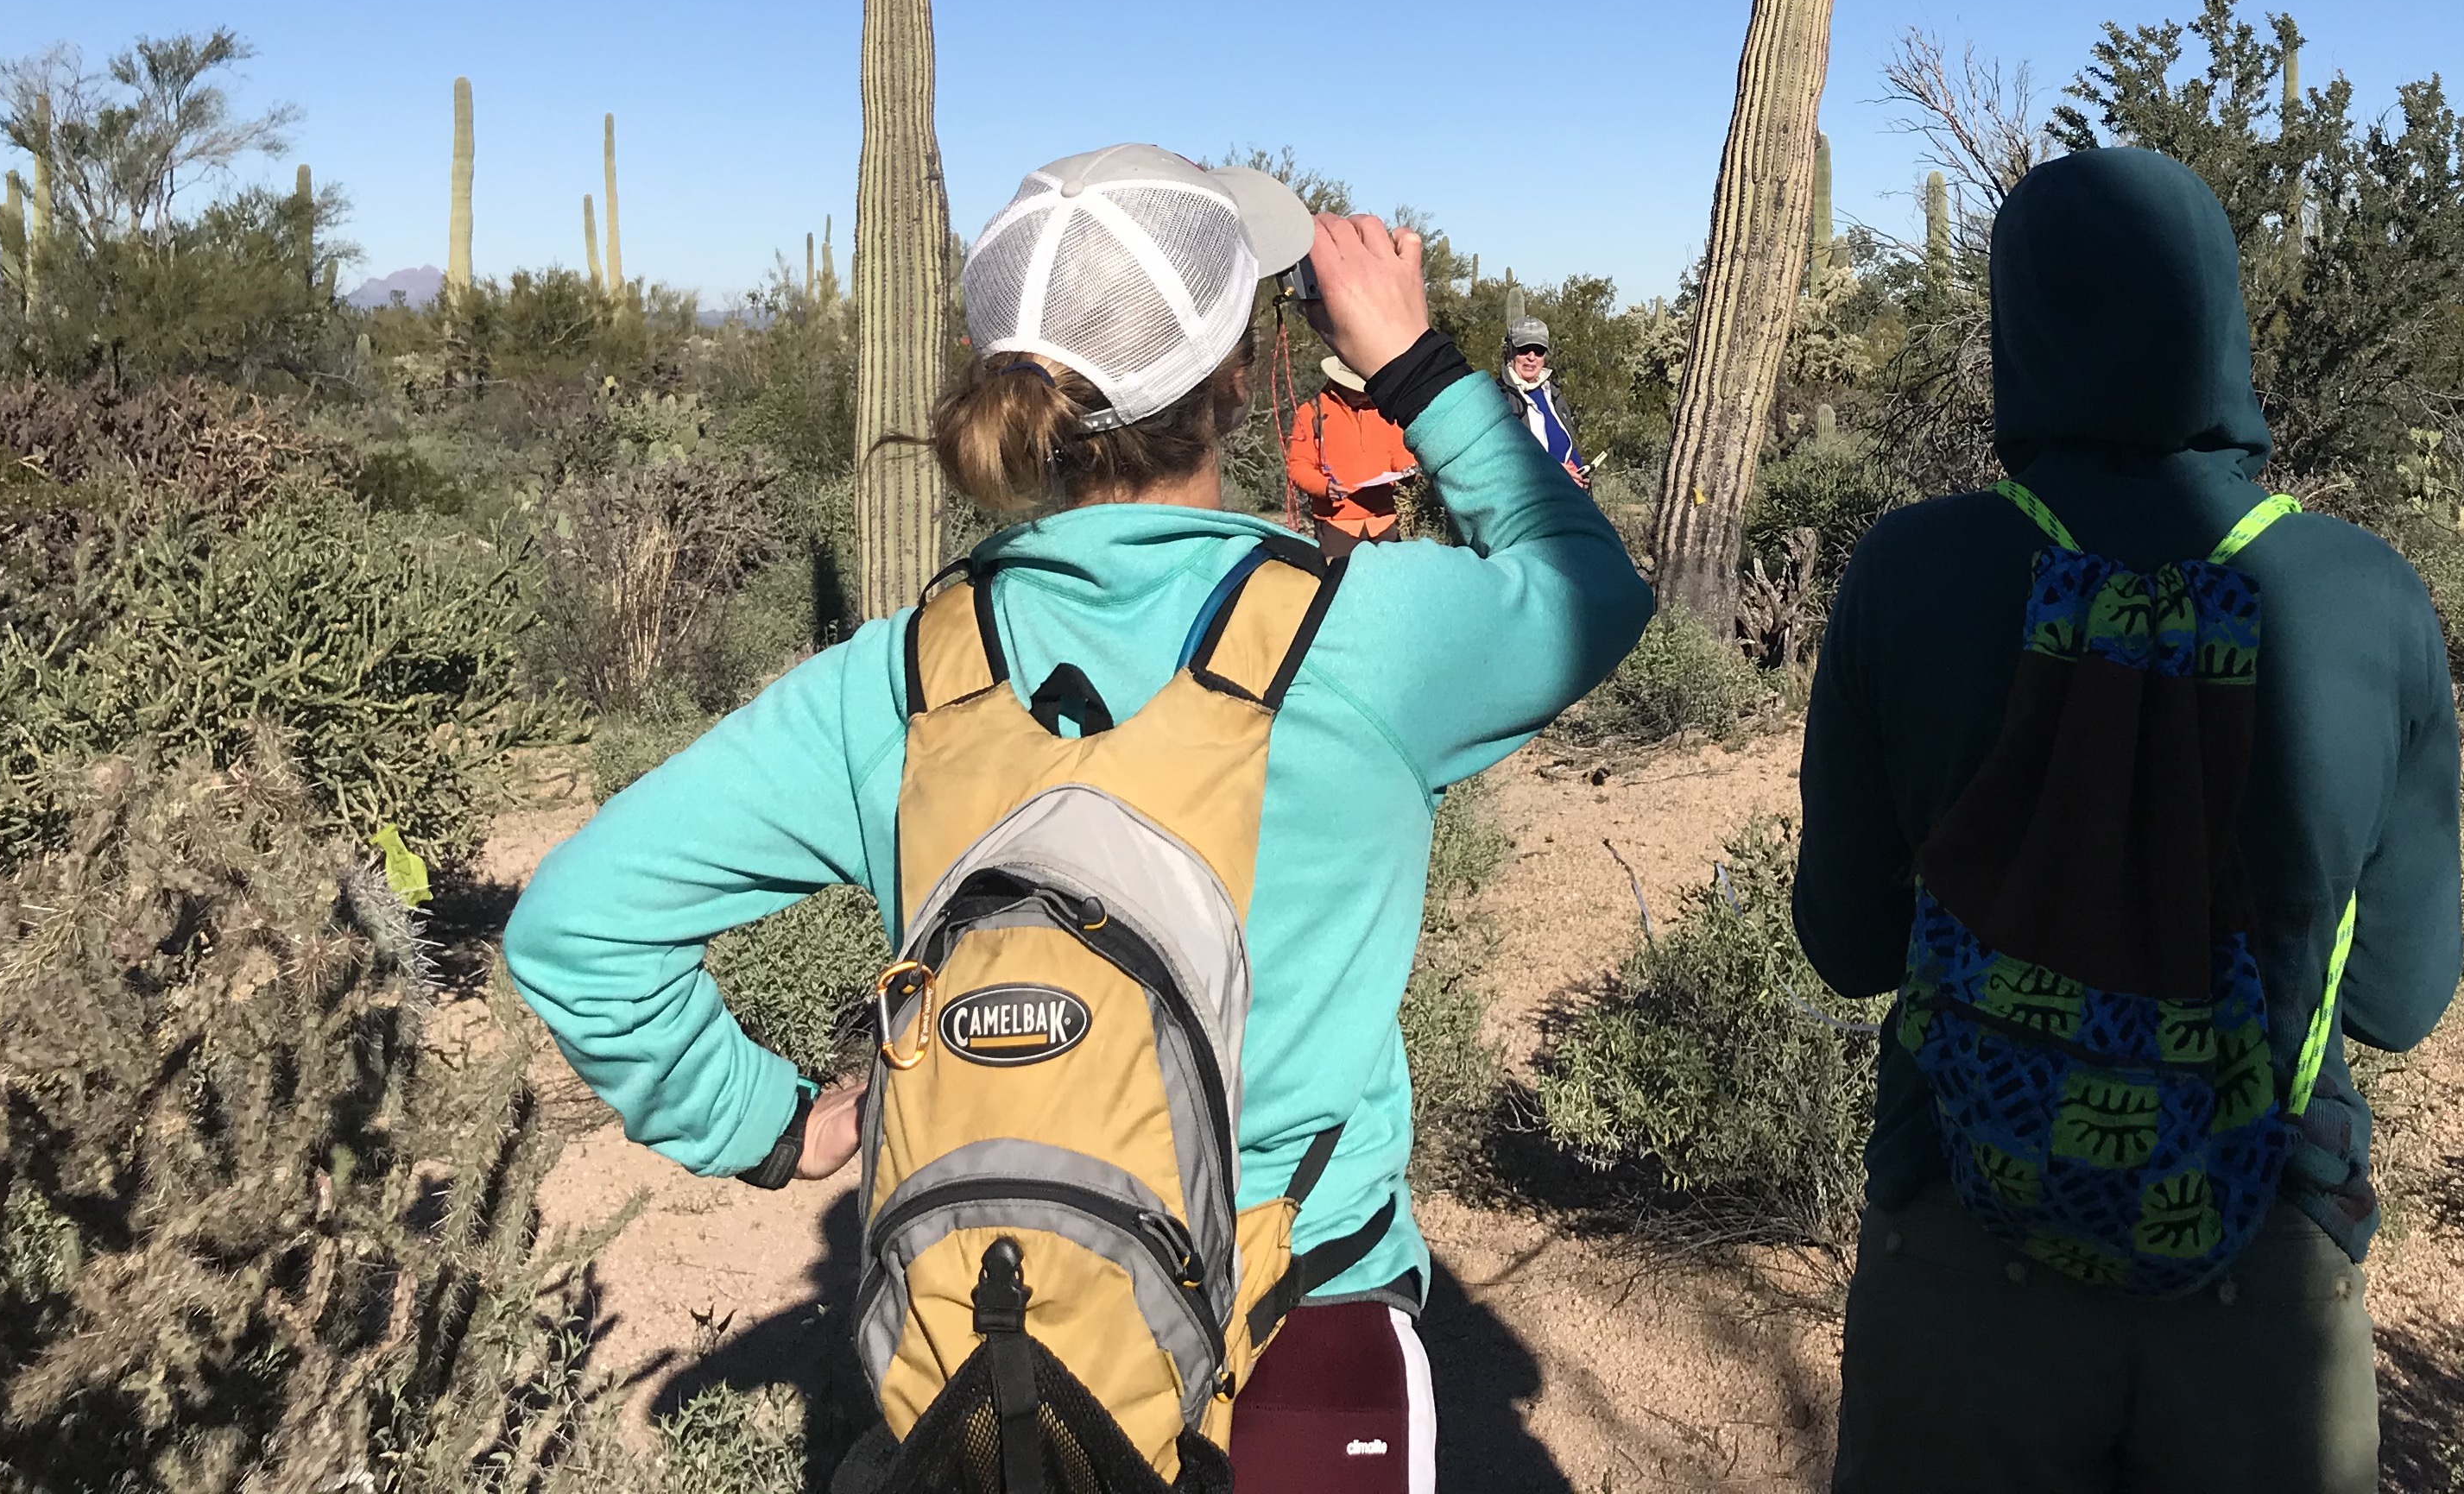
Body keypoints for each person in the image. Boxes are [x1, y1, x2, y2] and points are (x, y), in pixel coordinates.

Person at [506, 145, 1651, 1493]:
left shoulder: (902, 677)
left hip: (1000, 1346)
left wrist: (786, 1126)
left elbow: (576, 929)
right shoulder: (1367, 639)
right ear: (1236, 380)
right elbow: (1588, 582)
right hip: (1305, 1306)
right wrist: (1414, 365)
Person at [1792, 146, 2461, 1494]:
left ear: (2016, 323)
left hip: (1964, 1247)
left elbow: (1849, 945)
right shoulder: (2363, 593)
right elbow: (2400, 998)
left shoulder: (1909, 571)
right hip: (2263, 1271)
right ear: (2215, 311)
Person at [1287, 350, 1418, 554]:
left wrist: (1407, 469)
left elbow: (1397, 449)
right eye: (1358, 390)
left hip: (1383, 522)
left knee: (1388, 584)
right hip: (1337, 526)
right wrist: (1324, 487)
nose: (1365, 395)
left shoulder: (1382, 408)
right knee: (1340, 584)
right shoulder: (1311, 413)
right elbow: (1298, 466)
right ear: (1338, 383)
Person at [1498, 313, 1588, 489]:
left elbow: (1569, 447)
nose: (1532, 357)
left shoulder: (1552, 394)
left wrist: (1581, 477)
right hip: (1531, 502)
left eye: (1539, 351)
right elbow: (1504, 460)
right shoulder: (1500, 399)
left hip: (1565, 498)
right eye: (1524, 349)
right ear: (1511, 351)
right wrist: (1553, 472)